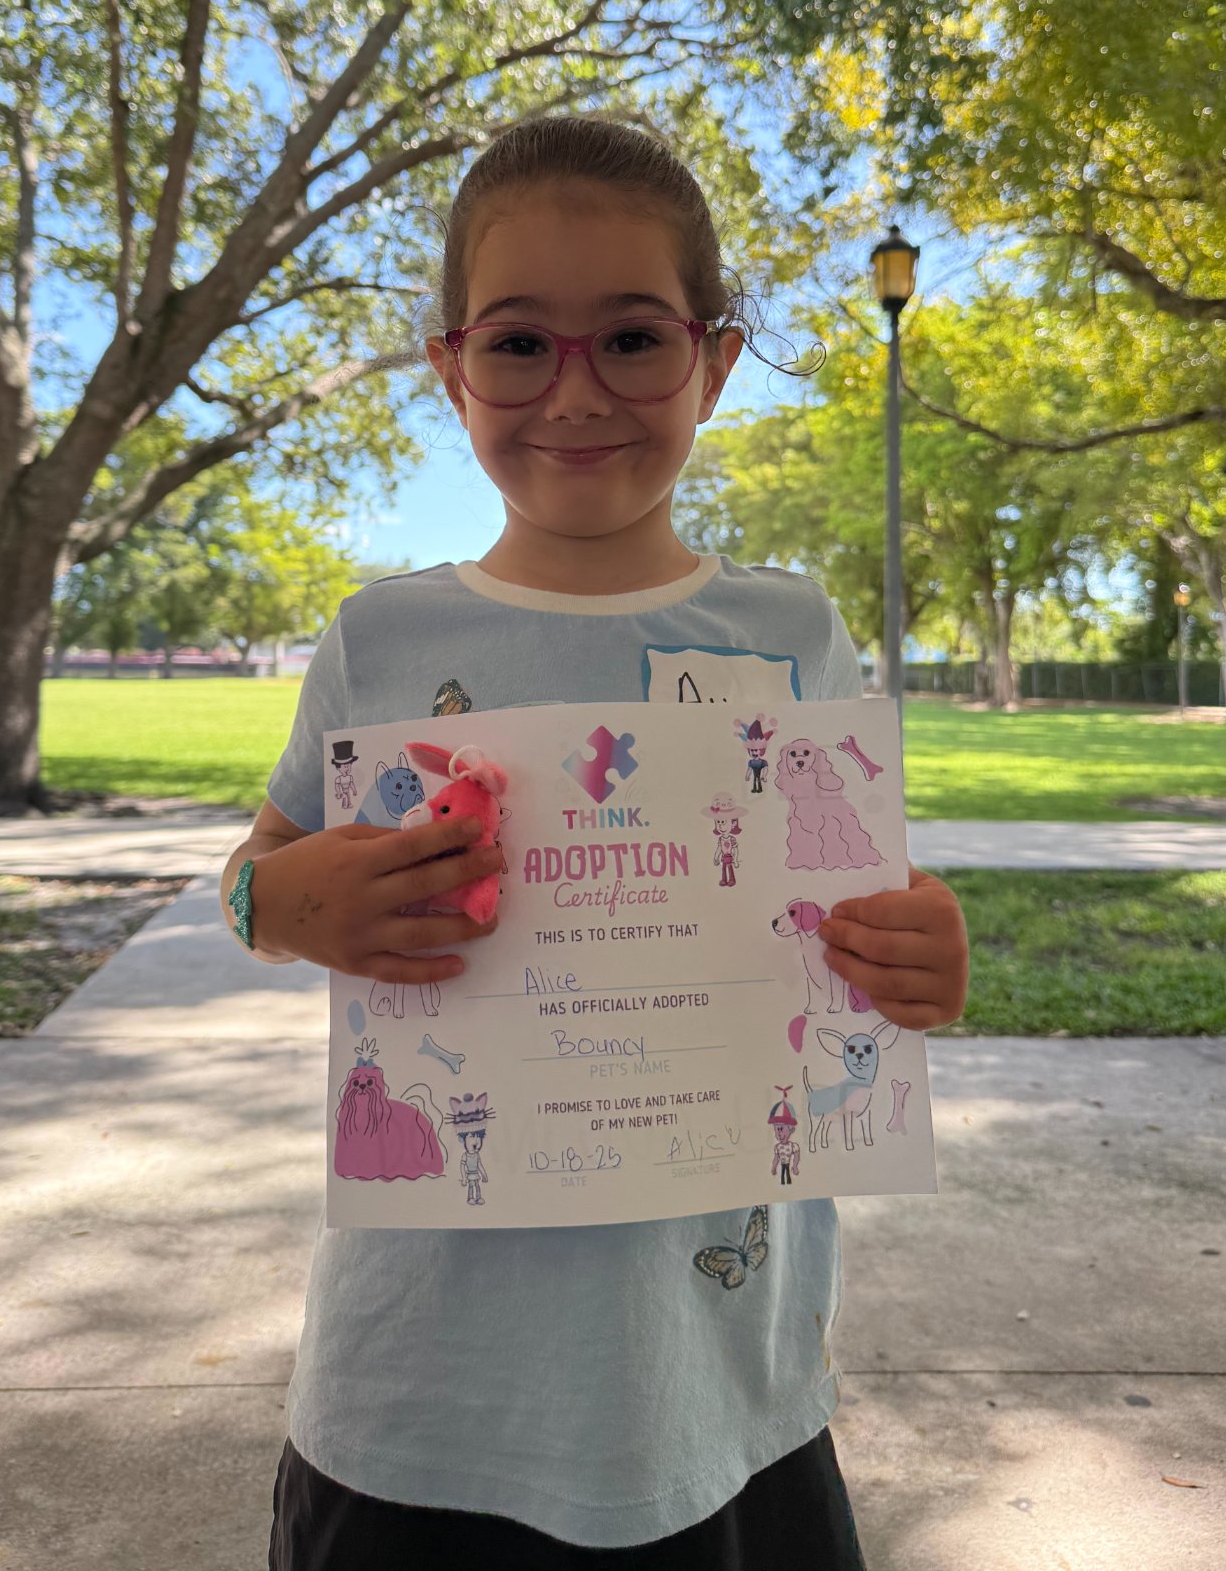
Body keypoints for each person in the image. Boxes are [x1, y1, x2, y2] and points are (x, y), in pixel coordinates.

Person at [218, 114, 970, 1569]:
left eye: (632, 338)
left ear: (716, 358)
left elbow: (858, 922)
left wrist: (921, 956)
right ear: (449, 363)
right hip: (418, 1405)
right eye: (515, 344)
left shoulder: (793, 632)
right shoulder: (380, 639)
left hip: (723, 1398)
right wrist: (294, 904)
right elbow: (253, 882)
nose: (574, 393)